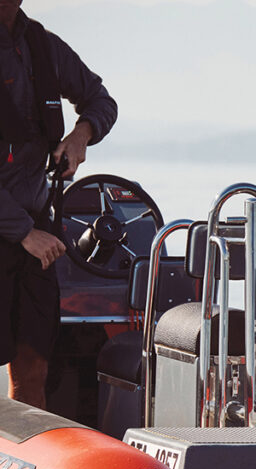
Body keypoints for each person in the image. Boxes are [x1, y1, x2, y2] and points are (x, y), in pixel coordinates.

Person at [0, 0, 117, 408]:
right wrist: (23, 231)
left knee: (34, 369)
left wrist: (81, 135)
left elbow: (101, 101)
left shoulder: (43, 47)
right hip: (21, 231)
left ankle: (27, 464)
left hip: (35, 237)